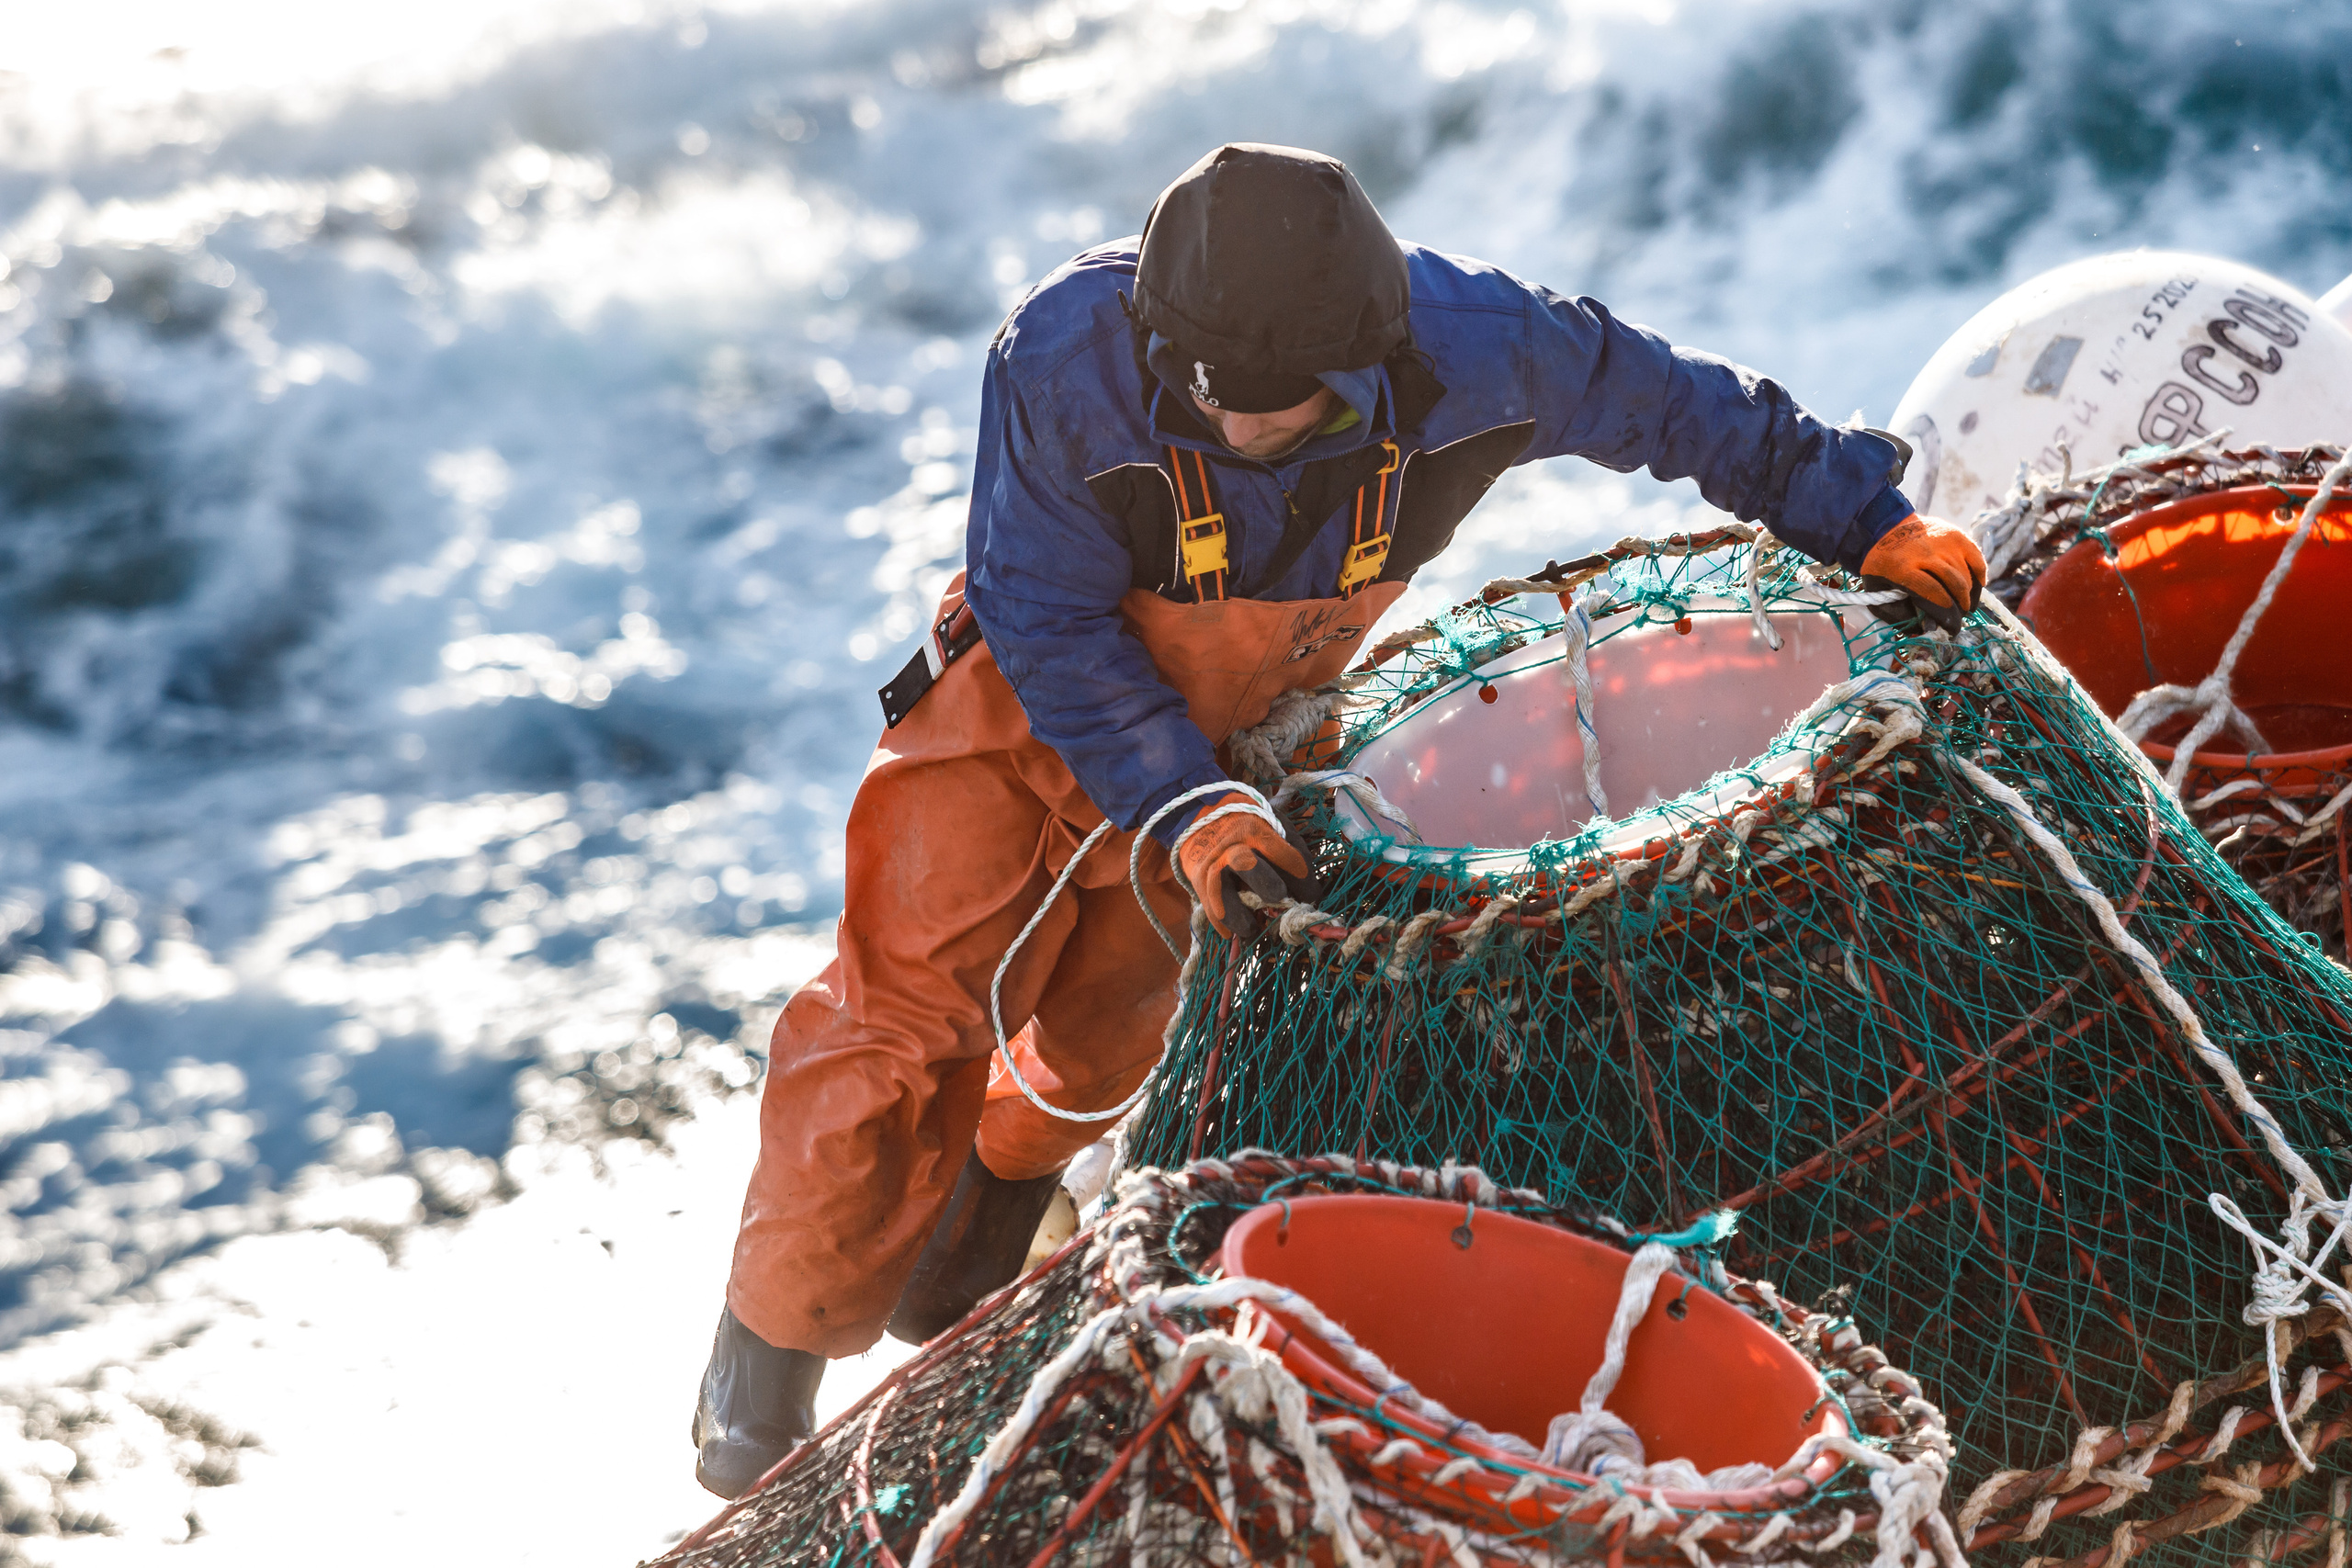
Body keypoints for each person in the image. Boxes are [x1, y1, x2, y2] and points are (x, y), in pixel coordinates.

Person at [688, 142, 1985, 1496]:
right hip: (1019, 714)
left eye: (1270, 404)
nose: (1233, 424)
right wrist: (1185, 802)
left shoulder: (1482, 348)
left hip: (1242, 743)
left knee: (1108, 1039)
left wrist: (1862, 513)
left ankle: (982, 1219)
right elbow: (1052, 621)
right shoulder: (1062, 357)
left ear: (1359, 364)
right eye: (1201, 393)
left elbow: (1672, 402)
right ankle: (763, 1374)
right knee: (897, 1032)